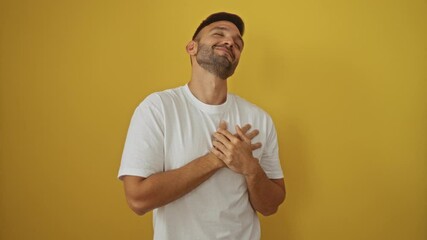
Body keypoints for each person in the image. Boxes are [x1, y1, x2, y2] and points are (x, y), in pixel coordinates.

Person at [118, 12, 286, 240]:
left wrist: (250, 168)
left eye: (237, 44)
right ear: (191, 48)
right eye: (219, 34)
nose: (230, 42)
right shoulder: (158, 108)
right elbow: (138, 199)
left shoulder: (259, 119)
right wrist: (216, 159)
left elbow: (270, 206)